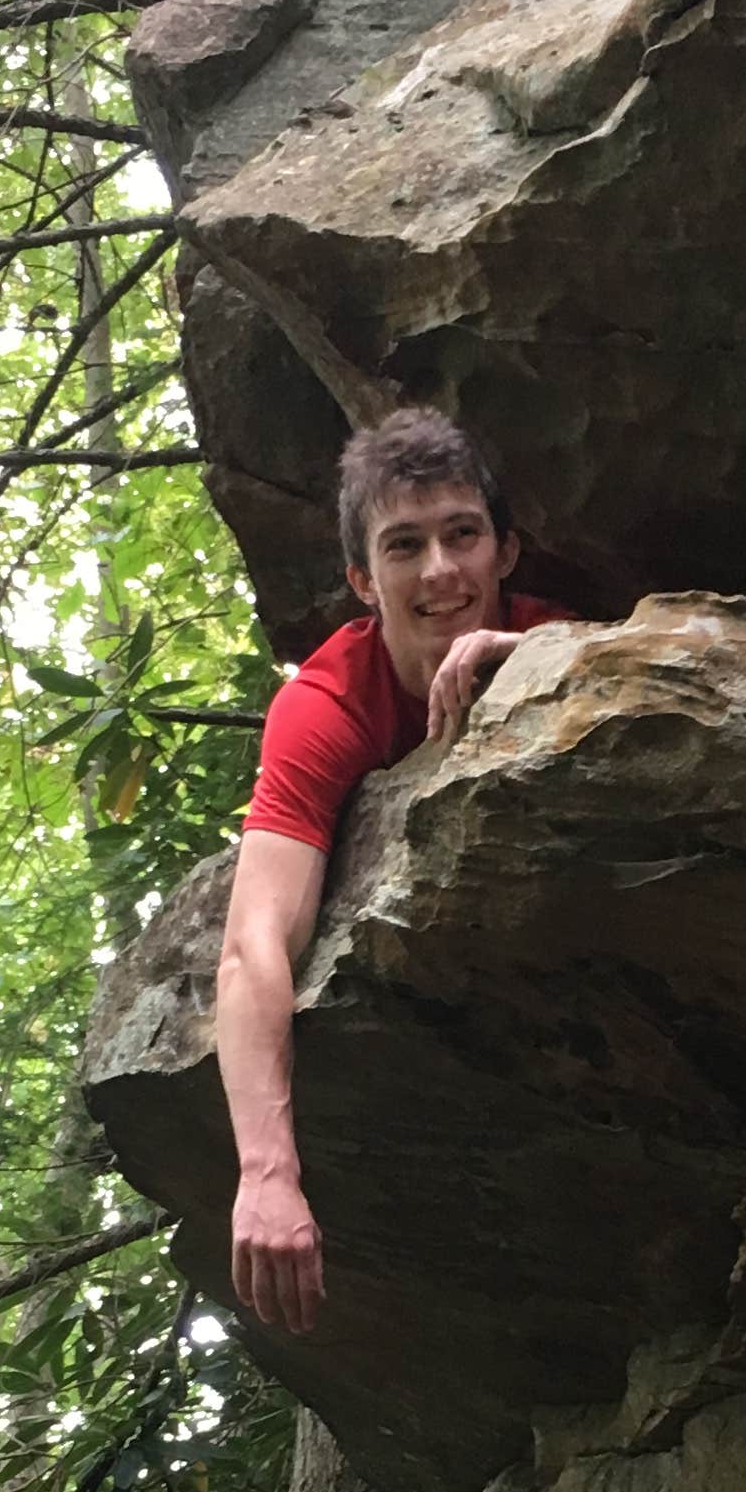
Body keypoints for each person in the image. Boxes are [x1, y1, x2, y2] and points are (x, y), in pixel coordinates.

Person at [215, 407, 573, 1335]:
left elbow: (722, 664)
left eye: (463, 535)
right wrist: (267, 1174)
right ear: (363, 582)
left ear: (507, 552)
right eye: (404, 546)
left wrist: (534, 661)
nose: (442, 572)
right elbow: (255, 941)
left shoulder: (568, 642)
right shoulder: (329, 702)